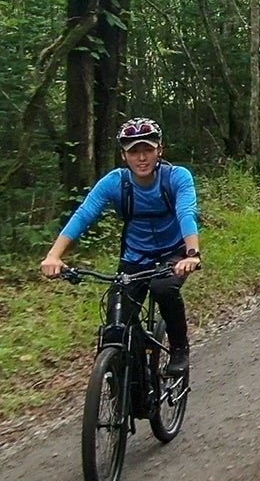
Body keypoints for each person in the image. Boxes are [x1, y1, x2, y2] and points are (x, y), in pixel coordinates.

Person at [41, 117, 202, 376]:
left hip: (174, 253)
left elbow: (186, 213)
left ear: (159, 150)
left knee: (163, 288)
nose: (141, 158)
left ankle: (180, 347)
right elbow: (83, 215)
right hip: (135, 257)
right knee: (116, 323)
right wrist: (54, 256)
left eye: (147, 150)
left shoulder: (176, 177)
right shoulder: (115, 182)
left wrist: (192, 254)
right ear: (124, 155)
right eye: (134, 151)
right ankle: (126, 379)